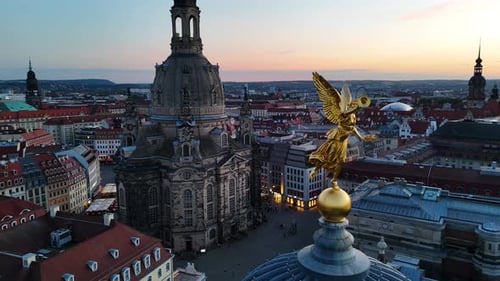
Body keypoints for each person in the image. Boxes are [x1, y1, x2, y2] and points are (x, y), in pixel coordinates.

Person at [308, 72, 375, 182]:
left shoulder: (352, 116)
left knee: (340, 161)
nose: (353, 106)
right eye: (352, 105)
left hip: (344, 141)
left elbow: (352, 128)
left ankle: (334, 179)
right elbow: (350, 111)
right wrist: (359, 105)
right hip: (337, 138)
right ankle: (316, 170)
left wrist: (362, 137)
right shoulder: (344, 113)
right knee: (328, 156)